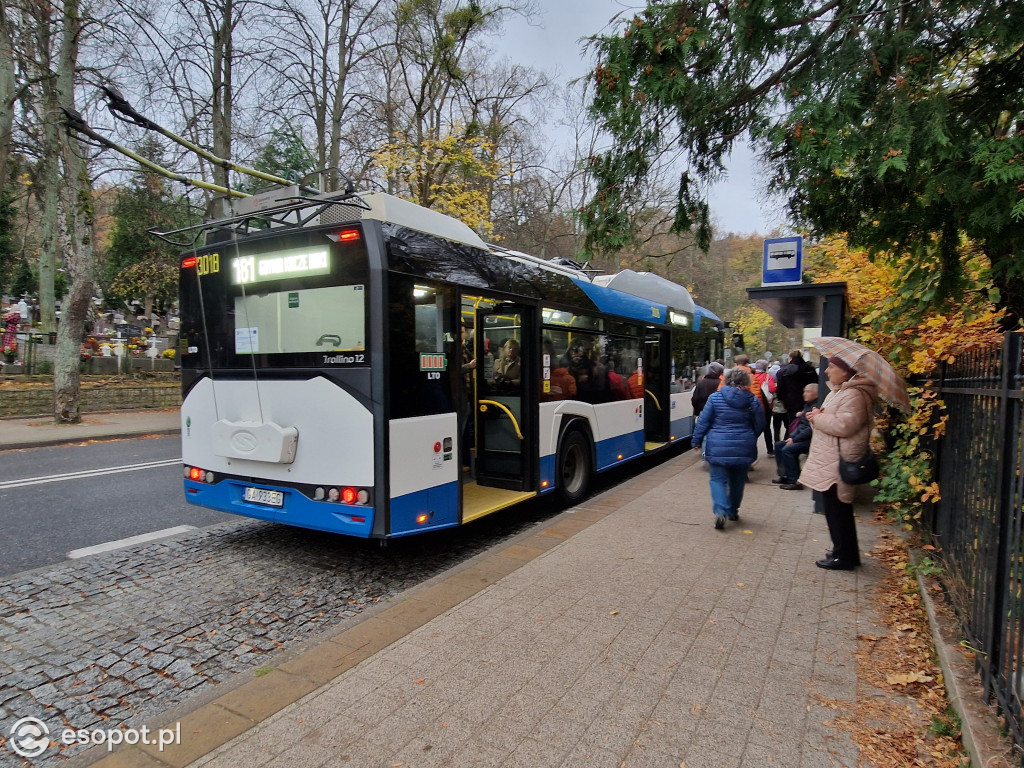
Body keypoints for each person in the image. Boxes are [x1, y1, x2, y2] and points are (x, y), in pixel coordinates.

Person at [799, 356, 877, 570]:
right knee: (835, 507)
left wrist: (817, 418)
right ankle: (842, 551)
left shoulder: (853, 394)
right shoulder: (841, 391)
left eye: (832, 367)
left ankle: (844, 556)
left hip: (838, 460)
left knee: (838, 508)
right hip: (831, 457)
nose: (827, 371)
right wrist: (818, 416)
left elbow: (844, 426)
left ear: (844, 371)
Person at [691, 368, 766, 530]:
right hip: (744, 446)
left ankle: (720, 511)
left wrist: (696, 440)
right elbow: (761, 423)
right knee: (738, 481)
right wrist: (751, 437)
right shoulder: (752, 400)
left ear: (726, 380)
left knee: (717, 479)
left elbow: (703, 421)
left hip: (718, 446)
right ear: (746, 382)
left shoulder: (715, 398)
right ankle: (732, 511)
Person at [772, 383, 819, 489]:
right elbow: (801, 426)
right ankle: (784, 474)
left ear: (816, 394)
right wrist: (792, 437)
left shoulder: (815, 408)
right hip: (801, 437)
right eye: (804, 391)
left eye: (808, 392)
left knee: (788, 450)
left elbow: (810, 429)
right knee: (779, 445)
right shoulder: (807, 405)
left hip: (809, 440)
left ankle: (794, 480)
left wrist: (794, 439)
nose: (804, 394)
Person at [776, 350, 819, 424]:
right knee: (806, 423)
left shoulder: (783, 371)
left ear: (790, 358)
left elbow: (780, 389)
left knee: (793, 423)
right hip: (808, 401)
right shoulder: (809, 369)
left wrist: (782, 399)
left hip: (790, 403)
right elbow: (816, 383)